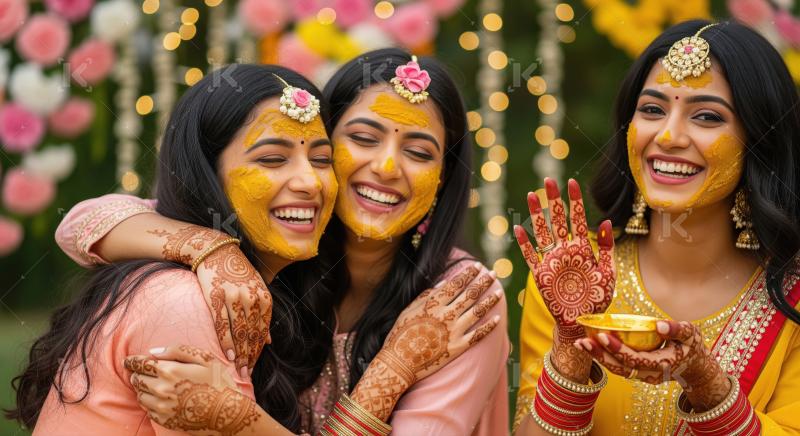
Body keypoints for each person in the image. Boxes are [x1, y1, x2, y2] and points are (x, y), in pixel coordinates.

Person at [7, 64, 501, 435]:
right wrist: (210, 249)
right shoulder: (205, 288)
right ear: (209, 176)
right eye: (361, 139)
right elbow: (79, 223)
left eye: (419, 152)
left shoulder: (459, 297)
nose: (387, 168)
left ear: (444, 180)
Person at [514, 20, 800, 435]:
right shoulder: (573, 277)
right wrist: (571, 353)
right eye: (652, 109)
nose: (668, 135)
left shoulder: (791, 295)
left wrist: (708, 387)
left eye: (706, 116)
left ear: (758, 141)